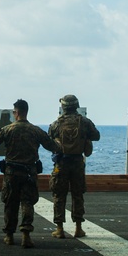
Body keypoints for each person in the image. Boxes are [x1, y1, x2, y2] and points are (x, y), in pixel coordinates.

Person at [0, 99, 60, 248]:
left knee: (10, 203)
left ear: (16, 113)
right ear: (26, 112)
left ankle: (9, 235)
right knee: (27, 202)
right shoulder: (35, 130)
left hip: (11, 172)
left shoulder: (7, 129)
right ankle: (26, 235)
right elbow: (52, 145)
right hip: (29, 172)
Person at [47, 94, 101, 239]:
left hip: (61, 163)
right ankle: (78, 228)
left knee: (59, 195)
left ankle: (59, 228)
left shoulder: (56, 123)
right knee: (78, 195)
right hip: (77, 162)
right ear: (76, 106)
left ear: (63, 107)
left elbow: (49, 140)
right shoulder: (84, 122)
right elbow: (96, 135)